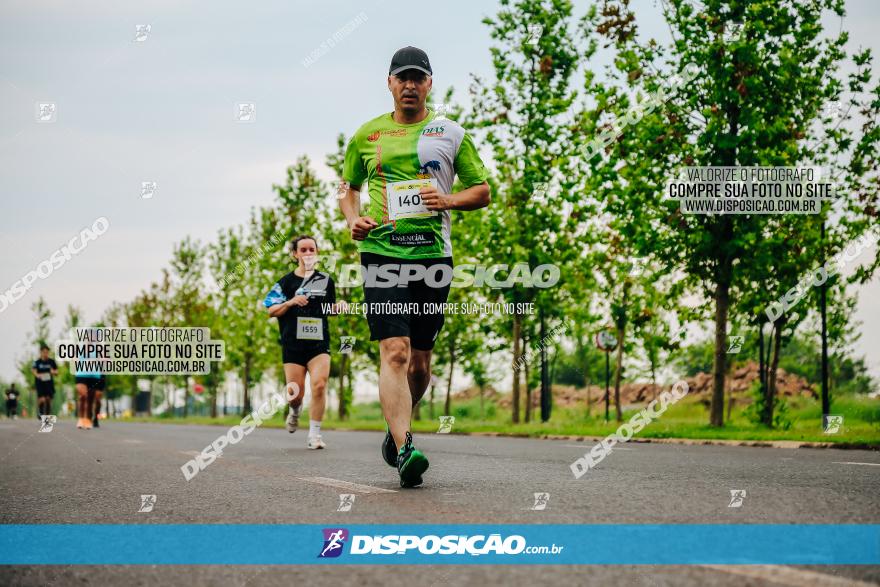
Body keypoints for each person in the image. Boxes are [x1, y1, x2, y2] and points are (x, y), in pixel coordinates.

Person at [339, 46, 490, 487]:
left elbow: (481, 191)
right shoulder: (367, 135)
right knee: (396, 351)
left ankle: (397, 427)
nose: (409, 85)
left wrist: (448, 199)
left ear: (428, 84)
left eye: (417, 78)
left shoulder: (450, 133)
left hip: (432, 257)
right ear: (389, 83)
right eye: (401, 77)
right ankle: (406, 448)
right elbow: (348, 188)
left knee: (420, 364)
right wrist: (353, 218)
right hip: (383, 254)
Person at [264, 235, 344, 449]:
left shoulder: (326, 281)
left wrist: (339, 306)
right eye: (304, 250)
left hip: (318, 344)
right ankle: (295, 410)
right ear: (295, 254)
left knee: (319, 385)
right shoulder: (285, 282)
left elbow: (330, 310)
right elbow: (271, 310)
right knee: (295, 393)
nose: (308, 253)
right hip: (293, 345)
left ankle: (314, 435)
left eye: (312, 249)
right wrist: (290, 302)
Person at [32, 345, 59, 418]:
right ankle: (40, 412)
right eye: (44, 352)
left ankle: (47, 415)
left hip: (49, 383)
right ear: (41, 352)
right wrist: (38, 375)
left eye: (47, 352)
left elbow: (57, 372)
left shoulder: (52, 361)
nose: (46, 354)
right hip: (40, 383)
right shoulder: (37, 362)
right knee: (42, 399)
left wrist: (53, 372)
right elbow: (34, 371)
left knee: (48, 399)